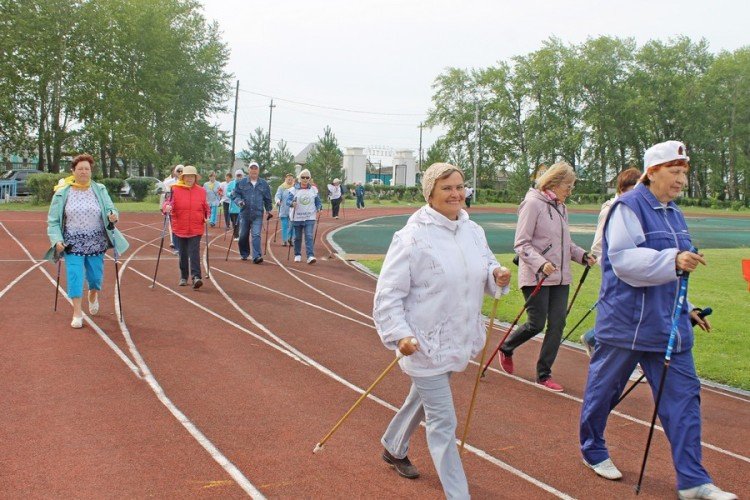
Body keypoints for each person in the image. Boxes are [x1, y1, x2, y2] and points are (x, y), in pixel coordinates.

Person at [579, 141, 735, 500]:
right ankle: (593, 448)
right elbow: (622, 260)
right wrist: (674, 260)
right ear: (652, 172)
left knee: (684, 401)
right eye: (674, 172)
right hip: (625, 325)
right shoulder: (628, 207)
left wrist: (688, 306)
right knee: (604, 393)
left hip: (669, 327)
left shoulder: (675, 212)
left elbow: (676, 270)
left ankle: (693, 481)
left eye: (684, 173)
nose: (681, 180)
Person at [373, 162, 511, 499]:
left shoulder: (472, 230)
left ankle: (393, 445)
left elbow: (485, 263)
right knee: (443, 422)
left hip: (458, 337)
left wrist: (496, 274)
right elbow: (388, 294)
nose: (456, 194)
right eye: (447, 188)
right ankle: (458, 494)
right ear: (430, 193)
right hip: (422, 343)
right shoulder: (411, 237)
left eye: (460, 187)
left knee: (422, 397)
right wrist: (400, 334)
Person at [498, 161, 596, 392]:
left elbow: (565, 244)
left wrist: (582, 256)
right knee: (536, 324)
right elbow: (521, 244)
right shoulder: (532, 204)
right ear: (553, 182)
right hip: (536, 275)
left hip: (561, 278)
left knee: (558, 324)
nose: (570, 191)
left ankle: (544, 373)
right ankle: (507, 347)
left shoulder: (561, 207)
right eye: (568, 186)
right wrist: (541, 264)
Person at [45, 153, 129, 328]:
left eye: (87, 169)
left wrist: (113, 216)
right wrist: (57, 240)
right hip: (72, 243)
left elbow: (110, 208)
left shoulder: (100, 189)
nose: (83, 172)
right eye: (80, 169)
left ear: (91, 171)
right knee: (75, 276)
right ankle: (77, 312)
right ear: (73, 171)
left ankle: (93, 293)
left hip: (96, 242)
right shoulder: (62, 193)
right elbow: (53, 221)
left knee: (95, 278)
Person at [581, 167, 641, 358]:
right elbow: (598, 244)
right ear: (623, 189)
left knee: (631, 314)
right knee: (623, 315)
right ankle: (595, 340)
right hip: (617, 271)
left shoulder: (636, 207)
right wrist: (610, 267)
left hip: (635, 270)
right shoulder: (611, 209)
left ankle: (592, 337)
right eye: (633, 189)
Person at [162, 165, 209, 289]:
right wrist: (166, 207)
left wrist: (207, 215)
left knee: (194, 252)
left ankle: (196, 277)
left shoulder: (201, 191)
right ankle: (183, 276)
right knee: (182, 253)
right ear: (183, 177)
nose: (189, 179)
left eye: (192, 176)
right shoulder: (175, 189)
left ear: (195, 178)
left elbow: (205, 207)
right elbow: (168, 202)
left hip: (196, 226)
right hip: (180, 226)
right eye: (187, 176)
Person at [231, 161, 273, 263]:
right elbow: (235, 195)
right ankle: (244, 253)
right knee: (243, 236)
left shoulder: (264, 184)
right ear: (248, 170)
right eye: (252, 168)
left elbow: (268, 198)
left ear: (258, 171)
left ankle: (256, 256)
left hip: (258, 214)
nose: (254, 170)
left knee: (256, 235)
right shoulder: (241, 183)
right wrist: (239, 201)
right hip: (244, 214)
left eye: (255, 168)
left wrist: (268, 210)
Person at [286, 168, 322, 263]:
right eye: (303, 177)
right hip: (297, 217)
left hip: (310, 217)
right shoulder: (294, 189)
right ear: (299, 178)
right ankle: (297, 254)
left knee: (309, 236)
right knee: (297, 237)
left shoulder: (314, 190)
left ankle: (310, 256)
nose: (305, 179)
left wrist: (319, 207)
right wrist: (291, 203)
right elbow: (288, 201)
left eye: (307, 177)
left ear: (310, 179)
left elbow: (318, 201)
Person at [163, 164, 183, 252]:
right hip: (173, 209)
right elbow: (165, 197)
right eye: (178, 171)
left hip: (183, 209)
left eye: (181, 171)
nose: (180, 173)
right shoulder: (168, 183)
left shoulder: (187, 183)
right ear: (175, 172)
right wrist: (164, 207)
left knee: (182, 228)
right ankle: (176, 246)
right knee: (174, 228)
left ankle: (182, 246)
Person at [275, 173, 295, 245]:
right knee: (285, 225)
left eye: (291, 179)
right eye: (288, 179)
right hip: (284, 209)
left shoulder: (295, 187)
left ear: (293, 180)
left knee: (292, 225)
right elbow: (277, 196)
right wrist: (278, 201)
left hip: (293, 210)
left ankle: (291, 239)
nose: (289, 180)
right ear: (285, 179)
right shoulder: (281, 187)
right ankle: (285, 240)